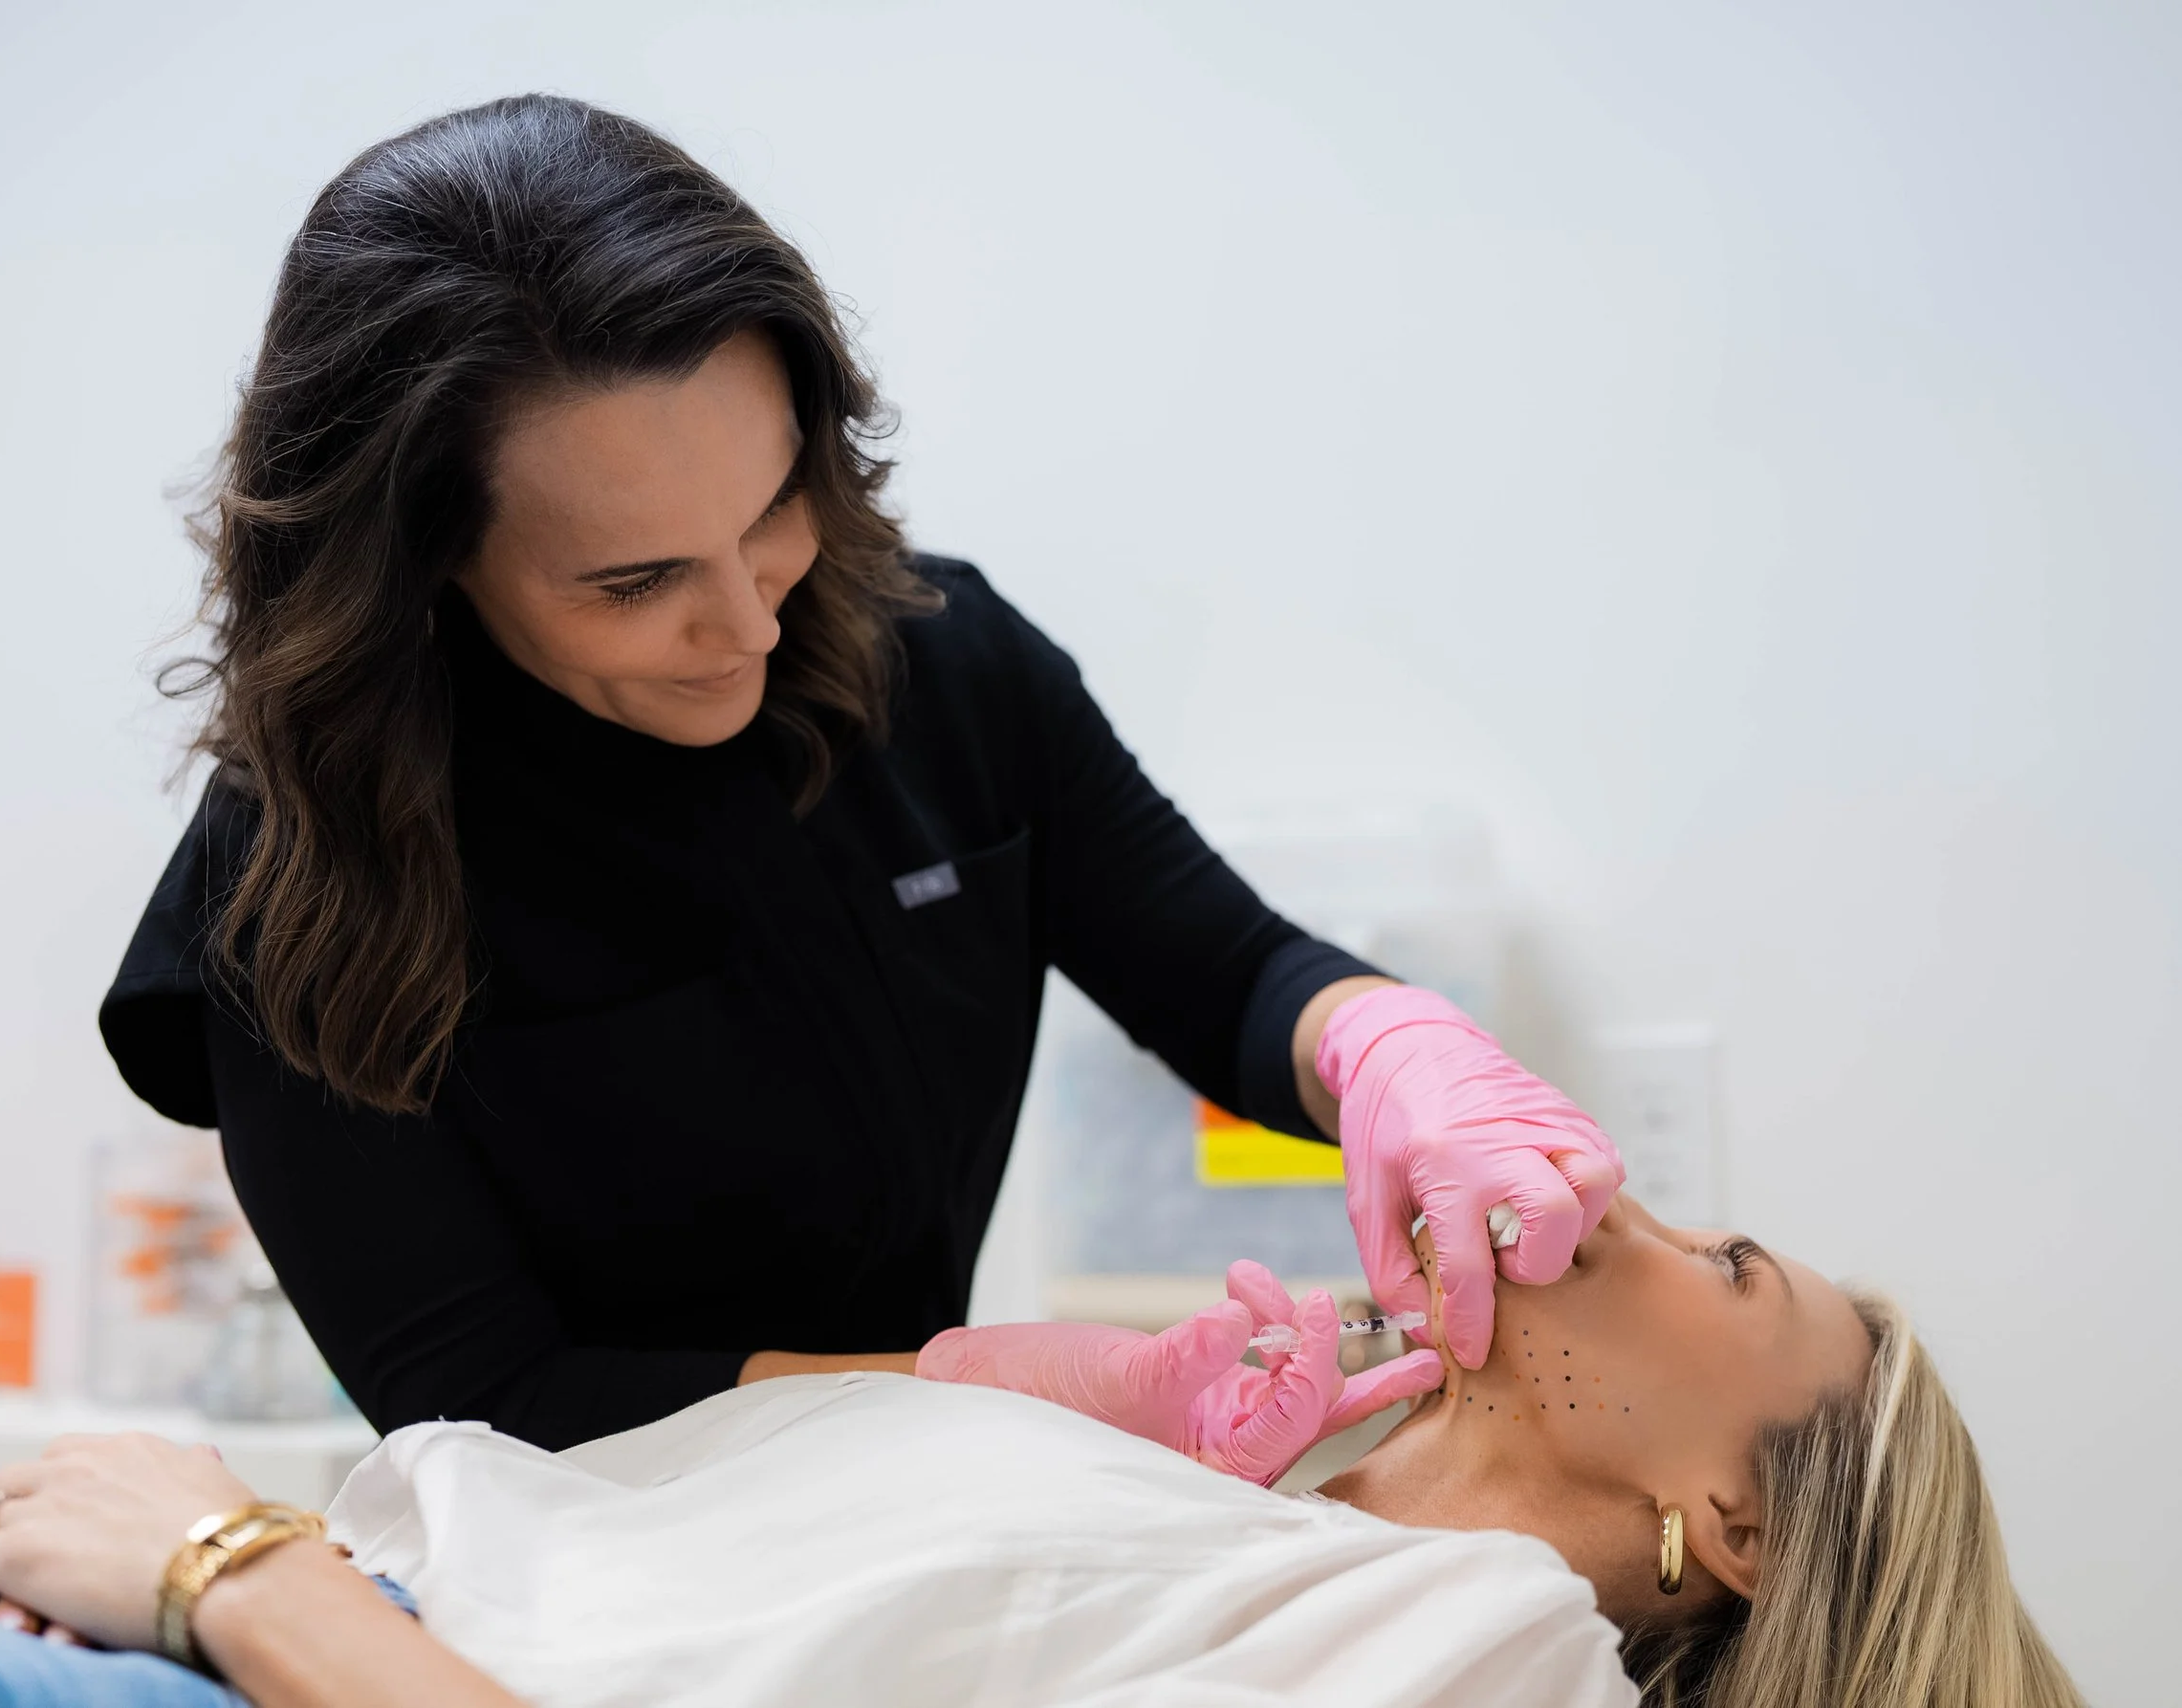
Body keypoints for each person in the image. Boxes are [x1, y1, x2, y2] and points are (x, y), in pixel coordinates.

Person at [98, 91, 1620, 1452]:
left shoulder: (938, 666)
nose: (748, 619)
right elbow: (489, 1397)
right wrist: (999, 1392)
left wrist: (1396, 1048)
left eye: (771, 509)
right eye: (635, 583)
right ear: (419, 572)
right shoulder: (294, 883)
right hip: (575, 1591)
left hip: (928, 1522)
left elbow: (1227, 976)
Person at [0, 1195, 2081, 1708]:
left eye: (1733, 1263)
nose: (1618, 1208)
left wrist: (223, 1558)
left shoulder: (1483, 1655)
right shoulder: (1277, 1526)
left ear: (1748, 1521)